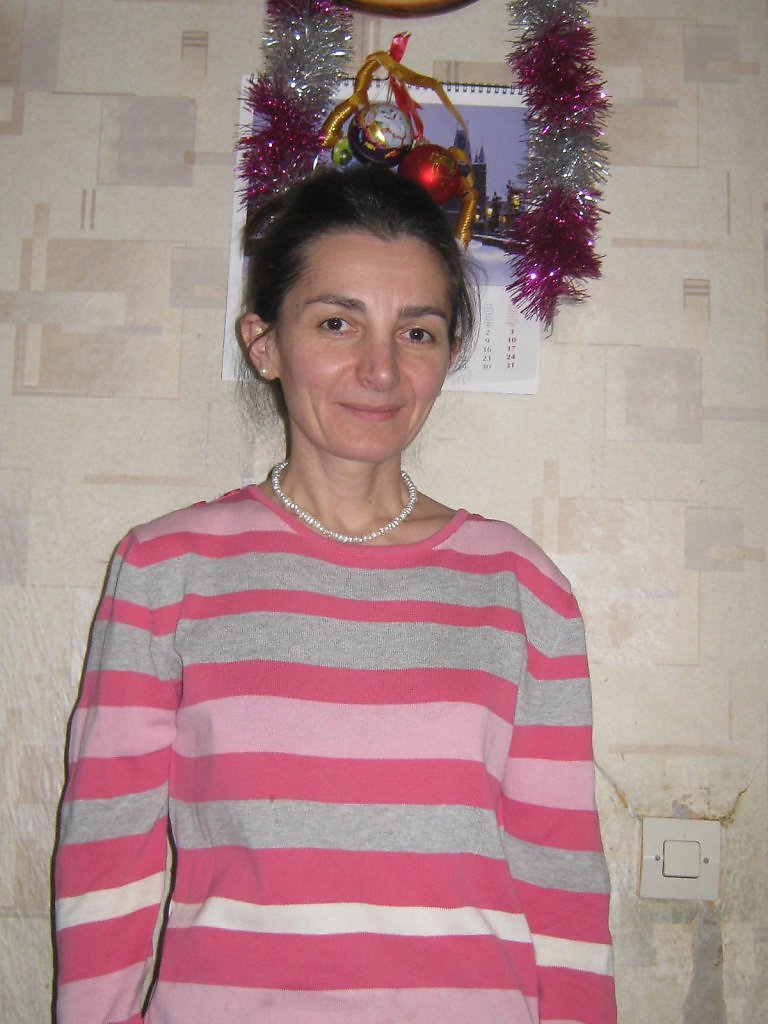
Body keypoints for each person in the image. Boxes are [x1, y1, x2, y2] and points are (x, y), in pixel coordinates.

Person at [53, 165, 616, 1024]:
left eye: (417, 332)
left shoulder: (520, 586)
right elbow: (107, 858)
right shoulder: (167, 568)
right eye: (336, 323)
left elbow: (561, 873)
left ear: (448, 356)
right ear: (264, 343)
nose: (380, 370)